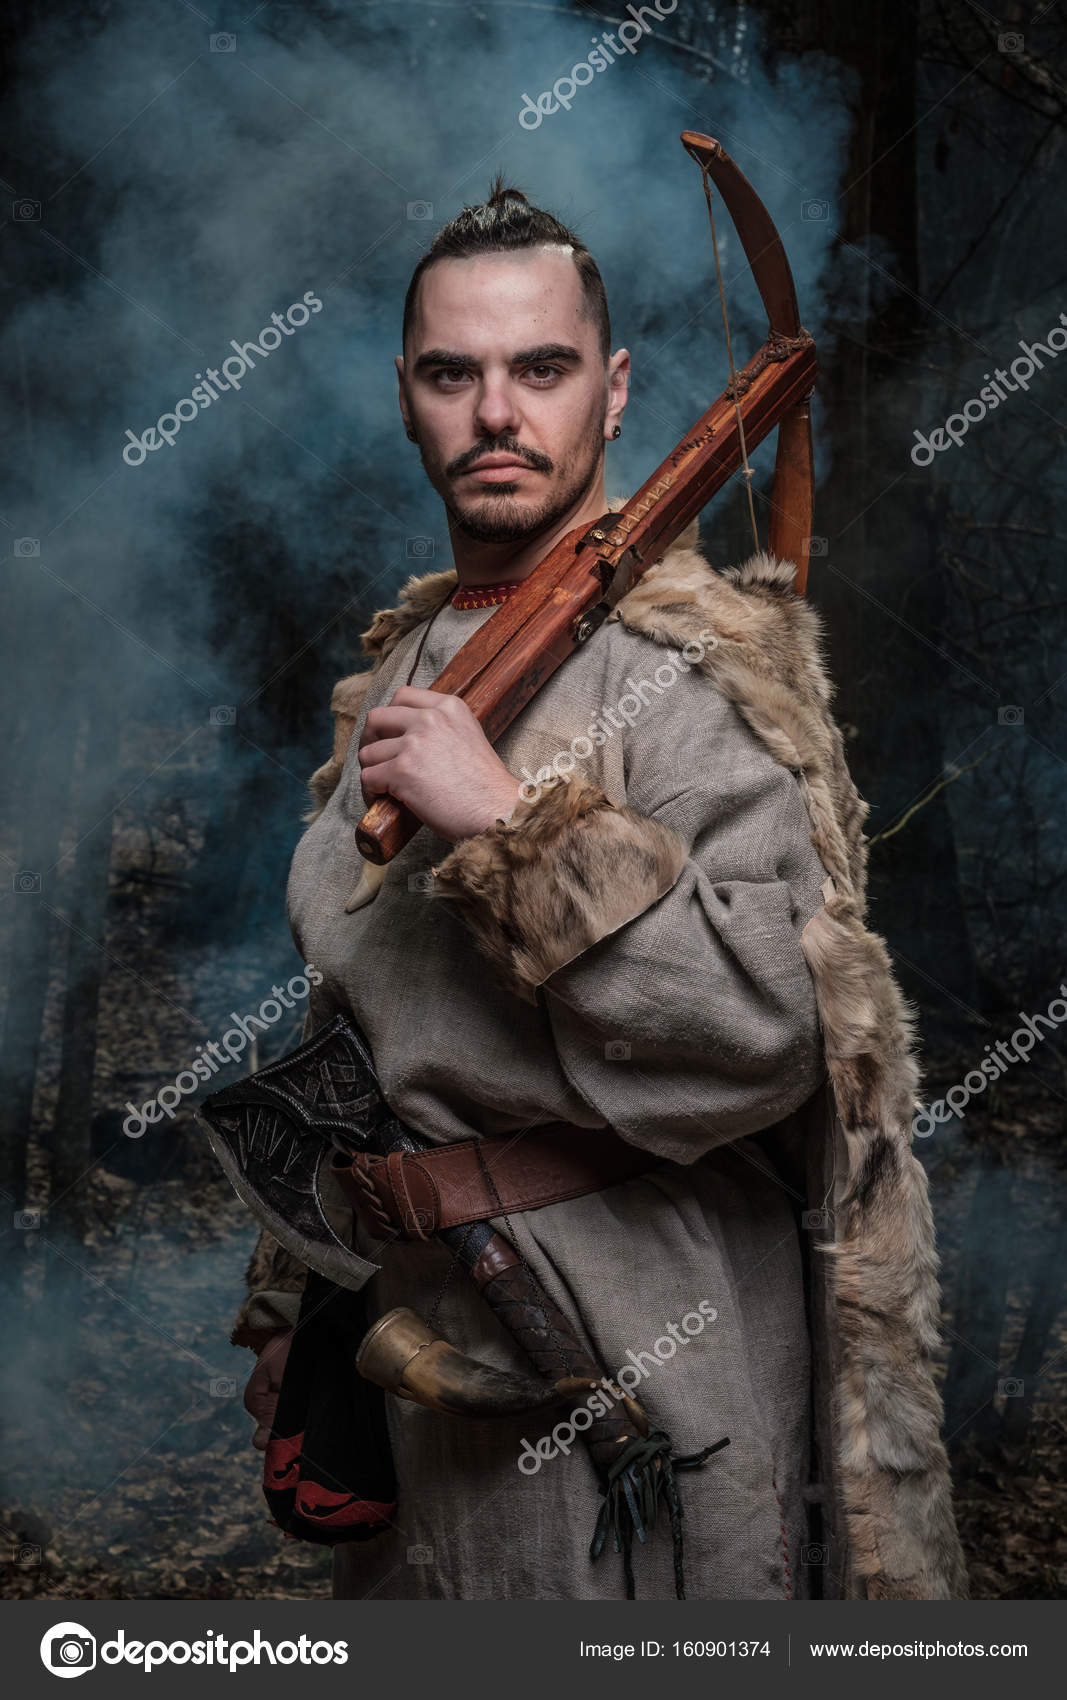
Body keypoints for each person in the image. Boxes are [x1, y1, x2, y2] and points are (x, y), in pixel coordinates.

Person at [234, 179, 967, 1601]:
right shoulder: (400, 665)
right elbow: (356, 1033)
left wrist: (512, 826)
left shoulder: (695, 671)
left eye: (542, 369)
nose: (496, 412)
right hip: (423, 1358)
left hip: (646, 1355)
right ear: (406, 395)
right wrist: (298, 1300)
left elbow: (771, 1028)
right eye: (454, 373)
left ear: (616, 391)